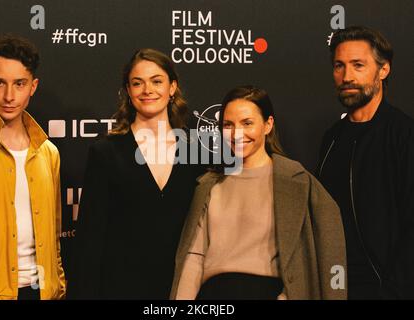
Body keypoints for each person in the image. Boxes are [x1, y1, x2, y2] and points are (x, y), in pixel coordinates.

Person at [171, 85, 347, 300]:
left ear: (268, 125)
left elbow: (331, 248)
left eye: (247, 123)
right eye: (228, 125)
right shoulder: (209, 184)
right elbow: (194, 256)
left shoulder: (298, 181)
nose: (237, 134)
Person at [68, 48, 205, 299]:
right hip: (119, 288)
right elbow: (90, 238)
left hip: (182, 289)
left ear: (172, 87)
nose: (147, 90)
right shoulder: (106, 152)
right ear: (128, 91)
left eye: (156, 81)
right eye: (137, 83)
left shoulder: (197, 150)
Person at [0, 34, 66, 300]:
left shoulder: (48, 153)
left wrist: (58, 286)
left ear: (33, 86)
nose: (10, 96)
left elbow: (54, 237)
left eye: (19, 84)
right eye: (0, 83)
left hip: (41, 292)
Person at [317, 26, 414, 300]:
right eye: (339, 66)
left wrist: (392, 292)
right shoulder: (332, 139)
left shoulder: (404, 135)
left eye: (358, 65)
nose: (347, 76)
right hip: (334, 290)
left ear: (383, 70)